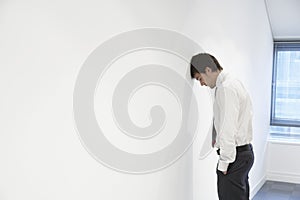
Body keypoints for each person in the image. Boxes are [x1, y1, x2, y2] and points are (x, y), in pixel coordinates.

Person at [190, 53, 254, 200]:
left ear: (207, 70)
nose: (201, 84)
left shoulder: (226, 88)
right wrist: (215, 138)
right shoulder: (233, 83)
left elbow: (228, 127)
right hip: (242, 153)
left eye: (200, 78)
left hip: (234, 157)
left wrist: (225, 161)